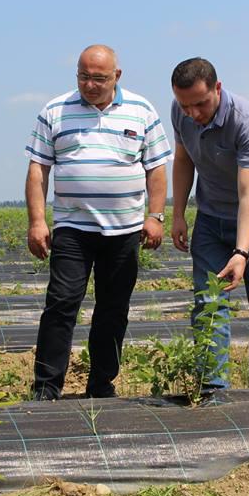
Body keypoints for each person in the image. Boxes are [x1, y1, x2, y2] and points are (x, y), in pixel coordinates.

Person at [26, 44, 171, 400]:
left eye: (99, 78)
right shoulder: (55, 110)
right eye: (83, 76)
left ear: (116, 76)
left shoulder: (141, 110)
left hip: (124, 232)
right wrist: (36, 220)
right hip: (73, 229)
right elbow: (37, 170)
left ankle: (101, 384)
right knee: (61, 304)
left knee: (112, 309)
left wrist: (155, 216)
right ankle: (47, 387)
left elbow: (156, 168)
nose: (90, 84)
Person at [169, 56, 249, 390]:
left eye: (200, 104)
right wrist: (178, 214)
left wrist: (241, 252)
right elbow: (182, 160)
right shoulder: (181, 110)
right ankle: (211, 389)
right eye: (185, 105)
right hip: (209, 217)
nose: (192, 113)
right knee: (209, 304)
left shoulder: (244, 119)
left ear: (217, 88)